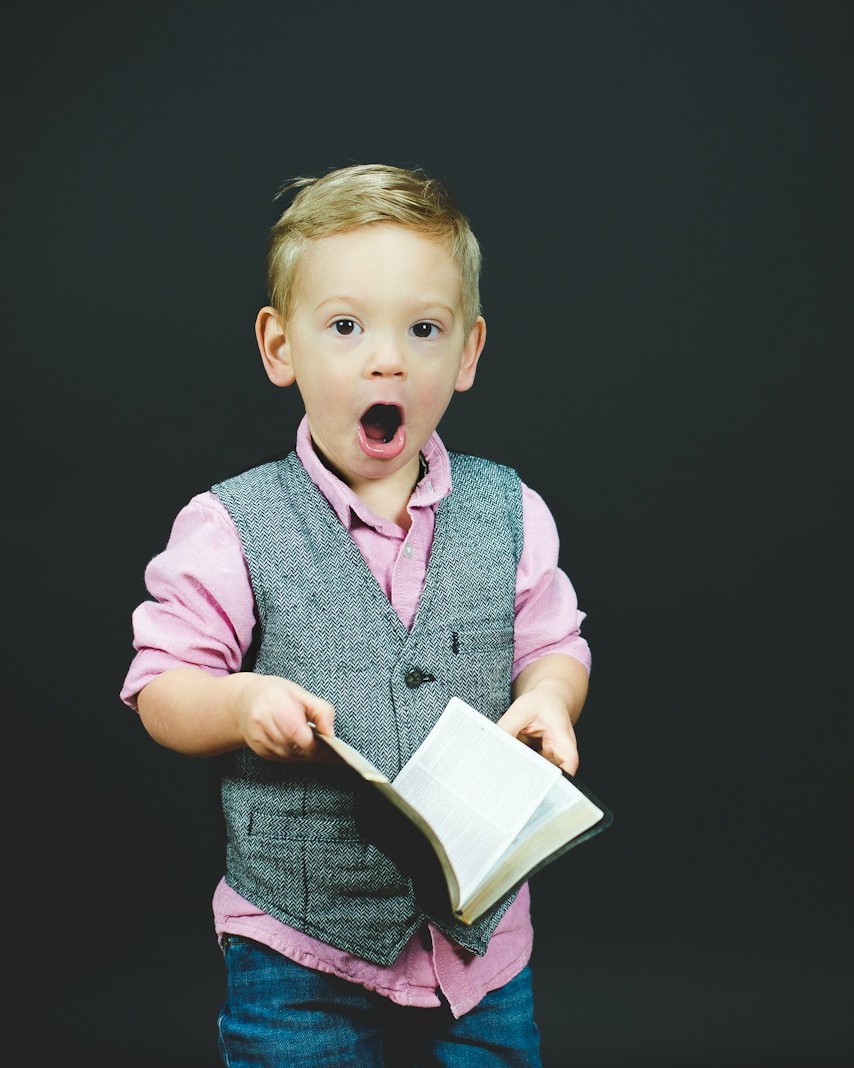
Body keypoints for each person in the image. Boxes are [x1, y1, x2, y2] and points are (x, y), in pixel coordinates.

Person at [120, 162, 591, 1067]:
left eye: (424, 329)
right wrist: (238, 704)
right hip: (299, 947)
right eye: (345, 327)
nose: (389, 358)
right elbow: (158, 687)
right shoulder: (231, 525)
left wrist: (552, 698)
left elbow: (555, 642)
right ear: (279, 347)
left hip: (480, 950)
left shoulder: (512, 510)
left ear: (468, 353)